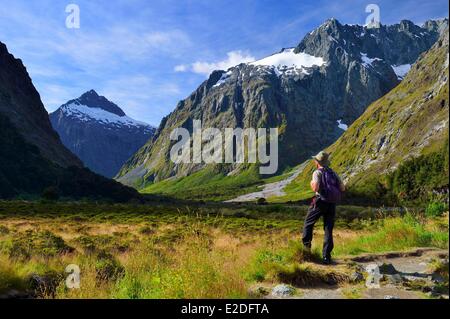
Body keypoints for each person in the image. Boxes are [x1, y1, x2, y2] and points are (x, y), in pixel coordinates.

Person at [302, 151, 345, 265]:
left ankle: (306, 251)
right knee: (328, 229)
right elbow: (342, 187)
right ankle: (327, 257)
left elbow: (315, 188)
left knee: (308, 223)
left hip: (320, 201)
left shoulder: (317, 172)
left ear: (317, 162)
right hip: (331, 203)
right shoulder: (333, 172)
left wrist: (312, 183)